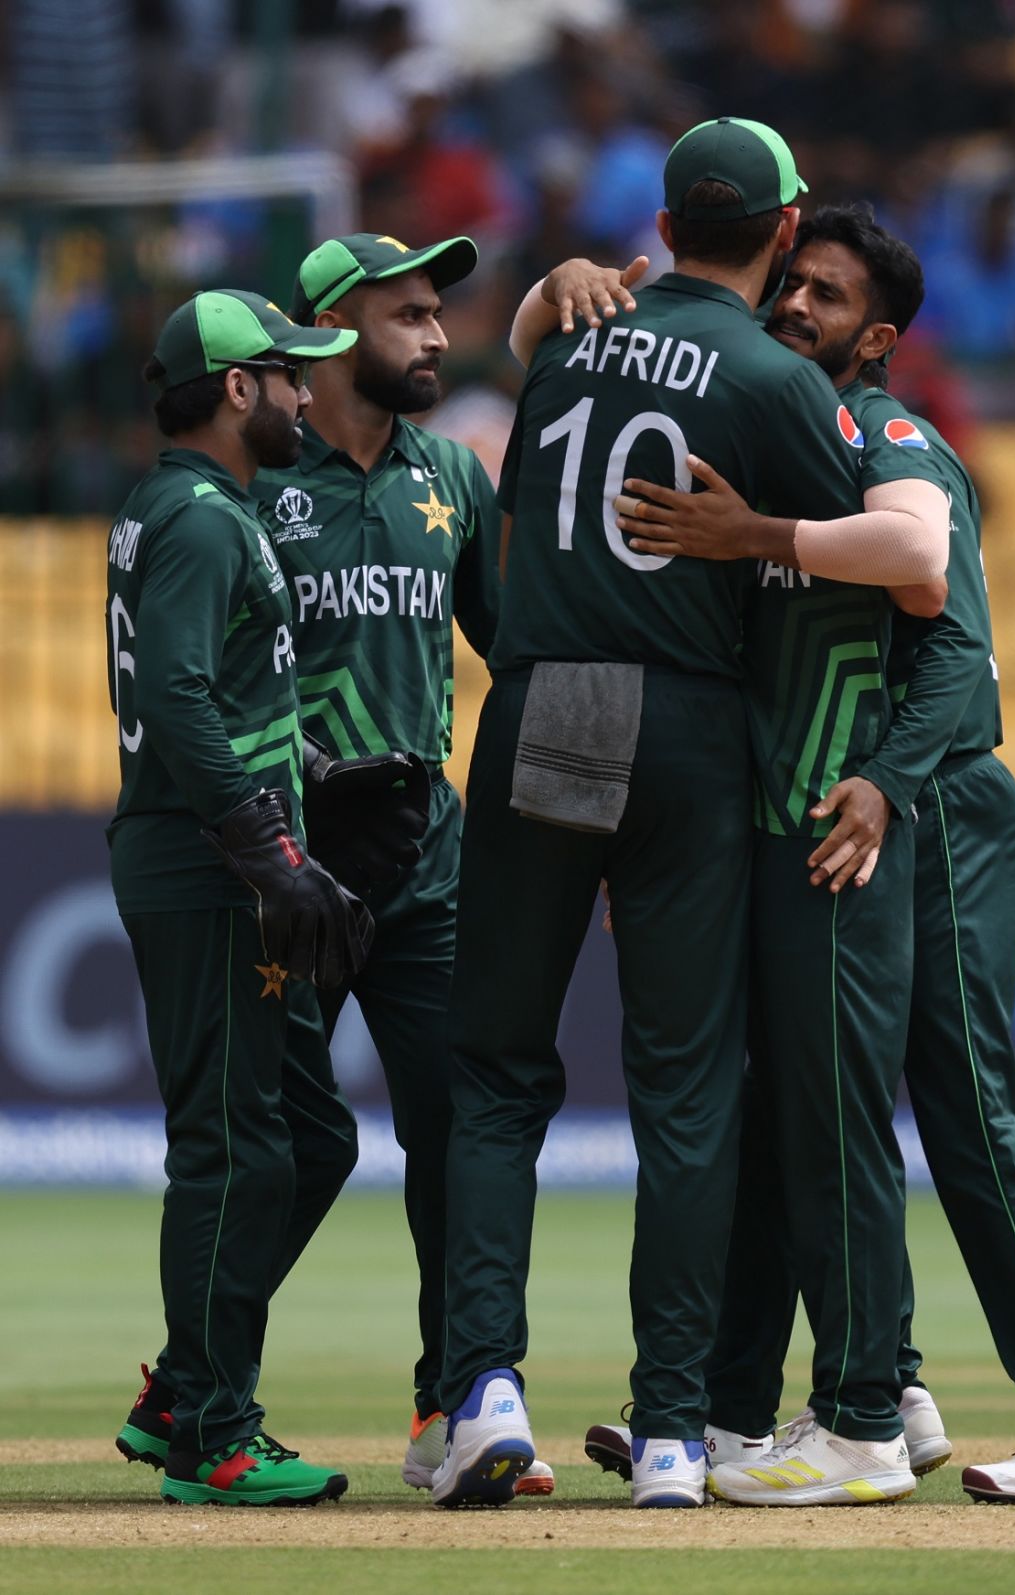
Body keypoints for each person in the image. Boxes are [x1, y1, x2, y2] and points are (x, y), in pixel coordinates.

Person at [589, 203, 1015, 1506]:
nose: (797, 305)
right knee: (808, 1100)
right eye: (791, 283)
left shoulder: (889, 438)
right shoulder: (770, 447)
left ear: (880, 335)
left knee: (956, 1110)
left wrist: (887, 787)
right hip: (840, 807)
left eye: (829, 296)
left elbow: (955, 648)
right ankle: (802, 1398)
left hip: (934, 807)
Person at [435, 118, 948, 1512]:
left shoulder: (561, 341)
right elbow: (901, 541)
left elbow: (531, 350)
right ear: (785, 233)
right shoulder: (779, 376)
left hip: (542, 699)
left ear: (659, 224)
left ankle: (480, 1389)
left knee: (493, 1073)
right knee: (687, 1086)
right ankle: (674, 1428)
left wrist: (559, 285)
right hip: (686, 723)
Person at [246, 233, 559, 1496]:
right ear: (327, 333)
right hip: (288, 868)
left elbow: (522, 652)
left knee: (462, 1128)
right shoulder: (260, 487)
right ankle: (198, 1391)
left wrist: (556, 831)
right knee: (266, 1143)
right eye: (408, 315)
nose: (435, 337)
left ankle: (457, 1403)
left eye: (440, 314)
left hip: (427, 864)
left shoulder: (450, 478)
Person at [108, 290, 372, 1506]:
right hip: (210, 875)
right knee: (234, 1151)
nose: (307, 394)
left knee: (311, 1139)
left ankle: (183, 1387)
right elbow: (173, 692)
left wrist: (313, 773)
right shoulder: (208, 519)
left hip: (219, 857)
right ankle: (213, 1426)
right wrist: (263, 845)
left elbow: (221, 690)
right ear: (234, 388)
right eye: (288, 375)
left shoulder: (187, 508)